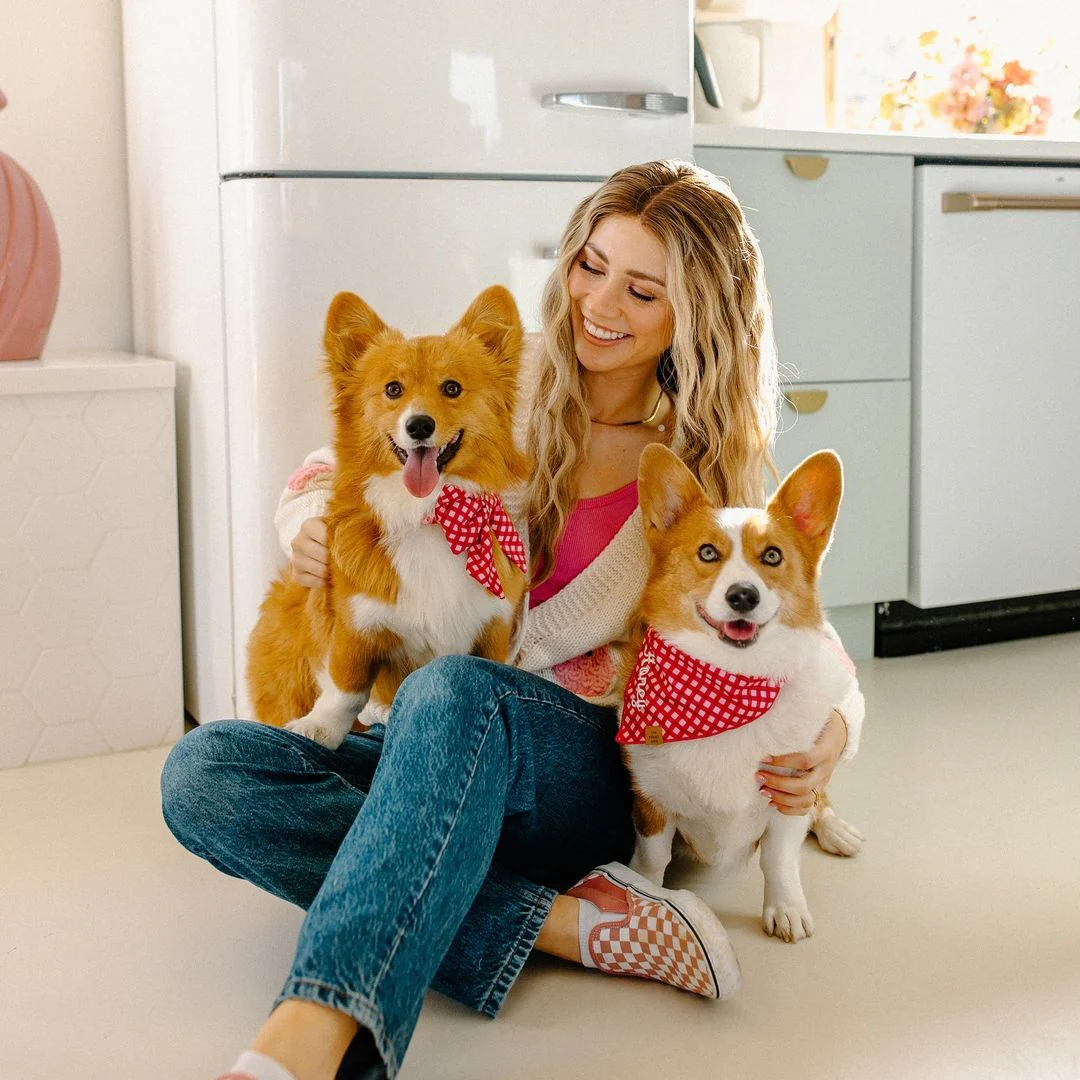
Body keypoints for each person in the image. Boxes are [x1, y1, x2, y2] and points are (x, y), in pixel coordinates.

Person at [161, 160, 860, 1080]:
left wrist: (837, 732)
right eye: (590, 266)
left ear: (696, 318)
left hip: (578, 771)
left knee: (458, 689)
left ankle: (308, 1040)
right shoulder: (506, 372)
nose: (597, 303)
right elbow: (332, 464)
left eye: (641, 290)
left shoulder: (702, 466)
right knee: (206, 772)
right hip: (435, 751)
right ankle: (569, 924)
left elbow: (804, 628)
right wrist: (311, 532)